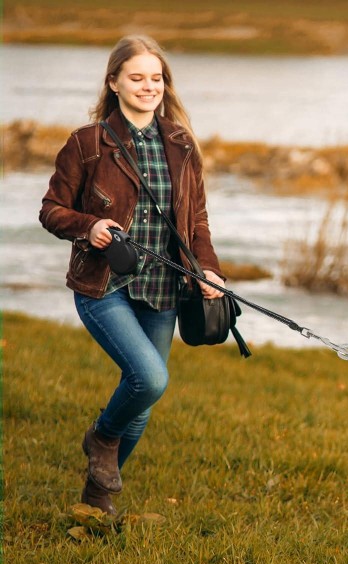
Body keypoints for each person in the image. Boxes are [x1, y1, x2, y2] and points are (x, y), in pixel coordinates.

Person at [39, 35, 226, 517]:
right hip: (104, 285)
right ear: (114, 82)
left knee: (141, 408)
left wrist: (208, 270)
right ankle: (100, 437)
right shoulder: (87, 142)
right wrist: (90, 225)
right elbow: (51, 210)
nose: (148, 86)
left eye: (156, 78)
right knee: (149, 377)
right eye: (137, 77)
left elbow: (197, 220)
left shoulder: (182, 143)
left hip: (164, 290)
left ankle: (96, 502)